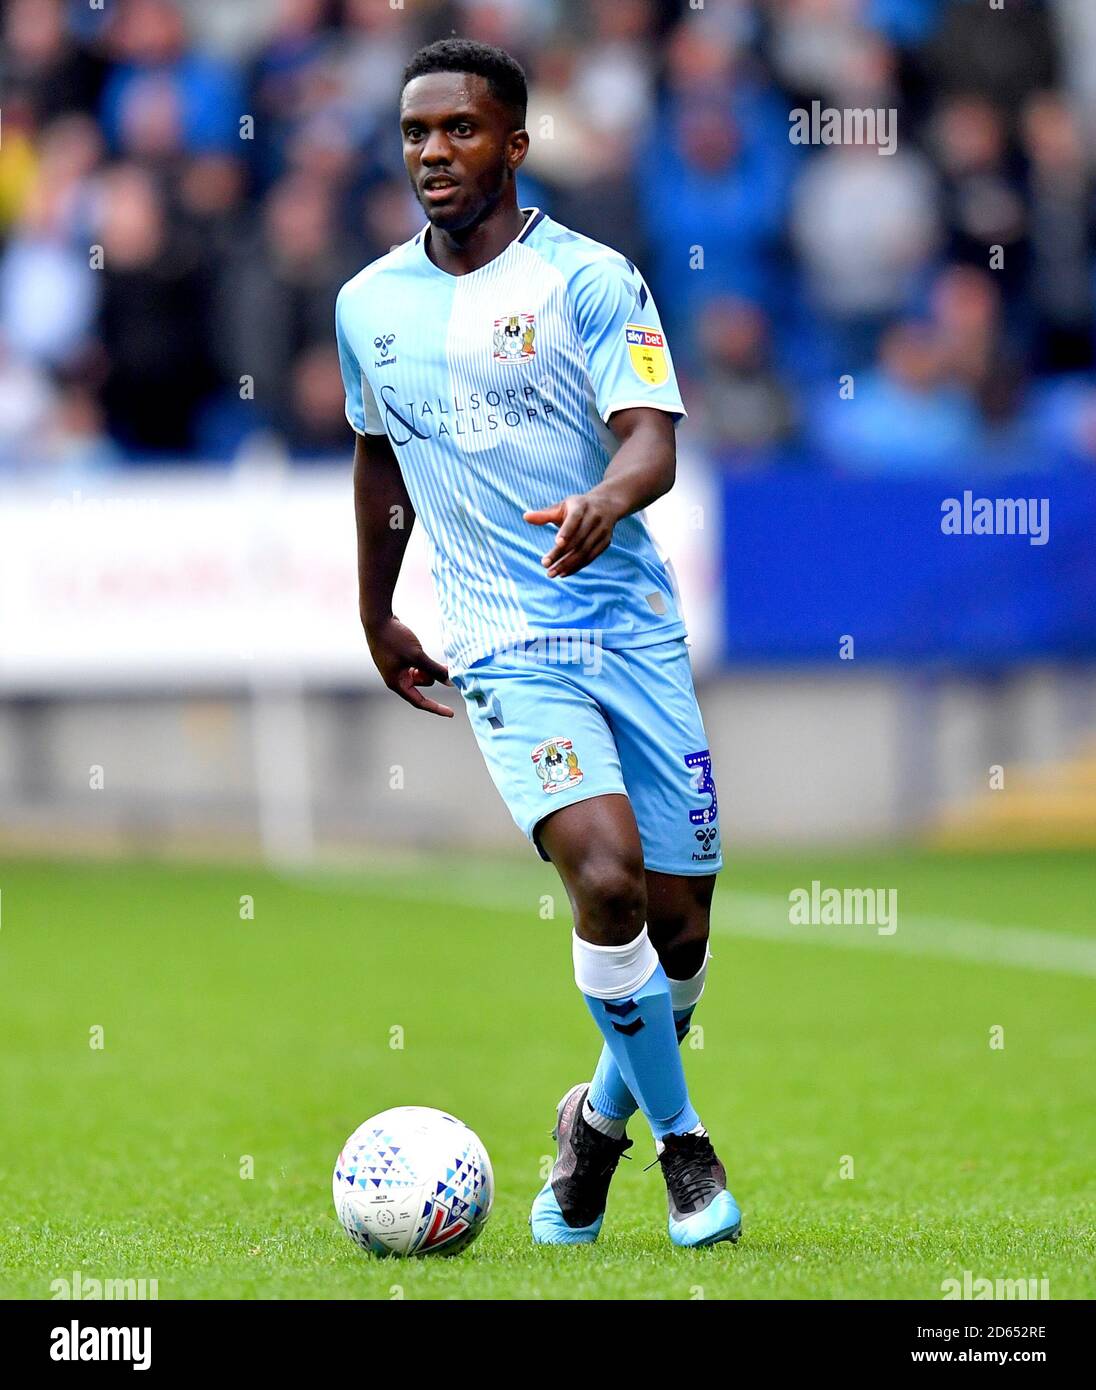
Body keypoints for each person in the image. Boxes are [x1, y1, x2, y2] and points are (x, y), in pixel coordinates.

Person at [335, 38, 740, 1249]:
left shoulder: (592, 280)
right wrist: (375, 610)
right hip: (506, 643)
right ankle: (683, 1151)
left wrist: (605, 502)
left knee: (679, 935)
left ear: (514, 143)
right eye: (415, 133)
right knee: (605, 879)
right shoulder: (368, 304)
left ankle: (595, 1124)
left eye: (460, 130)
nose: (433, 153)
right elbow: (377, 461)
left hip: (630, 629)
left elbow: (652, 440)